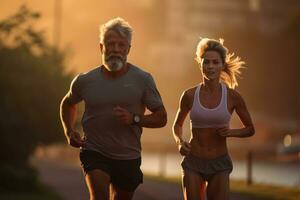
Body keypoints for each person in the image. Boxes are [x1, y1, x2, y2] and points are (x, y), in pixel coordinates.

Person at [60, 17, 167, 200]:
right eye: (111, 44)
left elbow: (161, 117)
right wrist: (69, 131)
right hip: (95, 151)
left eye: (121, 45)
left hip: (128, 156)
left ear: (128, 49)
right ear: (101, 47)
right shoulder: (85, 80)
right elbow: (68, 103)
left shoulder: (143, 80)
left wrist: (134, 118)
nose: (116, 49)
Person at [172, 38, 255, 200]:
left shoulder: (233, 97)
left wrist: (231, 132)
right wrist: (180, 142)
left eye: (215, 62)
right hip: (193, 162)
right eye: (206, 62)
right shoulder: (189, 95)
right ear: (200, 64)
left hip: (220, 163)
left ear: (222, 65)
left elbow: (250, 129)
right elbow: (177, 125)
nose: (210, 66)